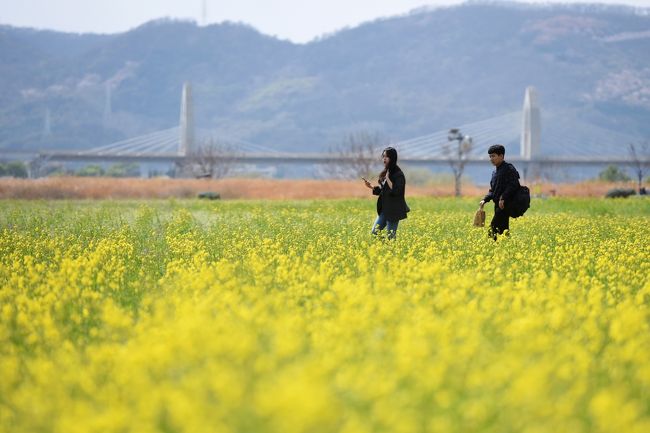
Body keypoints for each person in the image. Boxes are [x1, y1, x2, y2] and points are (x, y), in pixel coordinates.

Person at [363, 147, 408, 239]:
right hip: (385, 209)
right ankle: (386, 249)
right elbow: (384, 191)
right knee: (374, 233)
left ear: (392, 158)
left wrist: (388, 178)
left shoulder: (399, 174)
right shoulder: (387, 172)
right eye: (383, 156)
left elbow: (396, 191)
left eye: (387, 157)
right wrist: (371, 186)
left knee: (390, 237)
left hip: (394, 210)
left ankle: (391, 250)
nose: (384, 158)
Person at [479, 144, 521, 239]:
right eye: (490, 156)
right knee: (503, 230)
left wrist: (503, 197)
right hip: (497, 205)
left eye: (493, 156)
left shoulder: (509, 169)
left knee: (493, 228)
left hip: (505, 205)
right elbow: (493, 190)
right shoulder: (495, 173)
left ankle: (492, 247)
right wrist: (485, 200)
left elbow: (513, 185)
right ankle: (507, 248)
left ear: (501, 156)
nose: (491, 159)